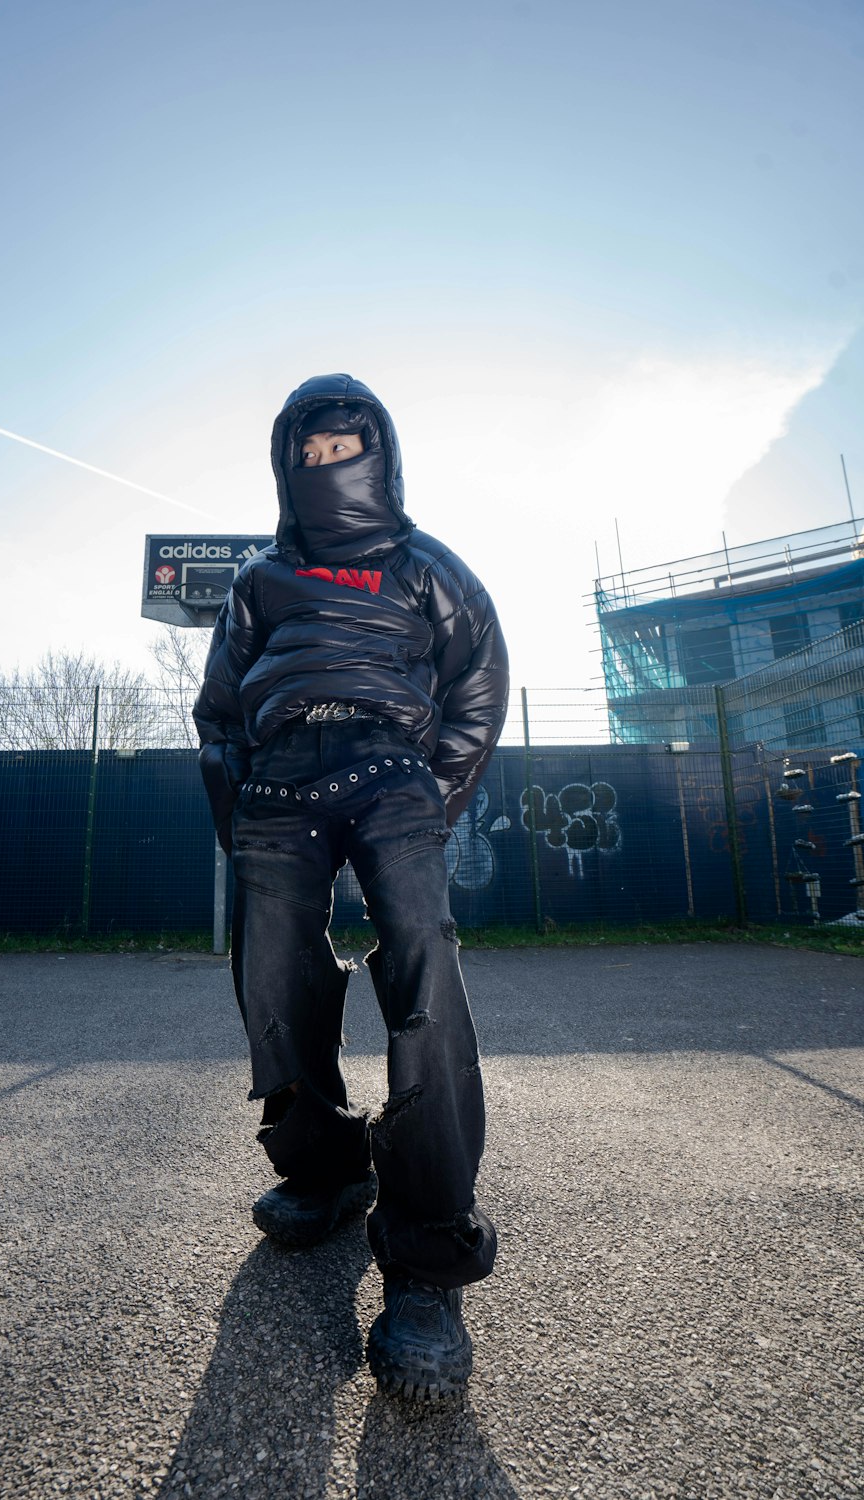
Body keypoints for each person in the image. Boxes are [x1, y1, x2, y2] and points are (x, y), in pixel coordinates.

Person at [193, 373, 509, 1400]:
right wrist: (238, 812)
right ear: (288, 464)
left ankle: (426, 1259)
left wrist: (431, 792)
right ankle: (323, 1168)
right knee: (272, 972)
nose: (331, 467)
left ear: (380, 454)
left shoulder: (428, 568)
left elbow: (476, 680)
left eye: (348, 449)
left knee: (422, 960)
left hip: (391, 771)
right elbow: (219, 710)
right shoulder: (255, 583)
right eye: (312, 453)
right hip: (277, 782)